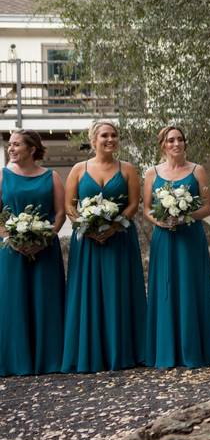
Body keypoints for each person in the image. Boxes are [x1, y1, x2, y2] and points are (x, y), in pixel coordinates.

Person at [62, 120, 146, 373]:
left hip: (119, 239)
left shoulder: (128, 169)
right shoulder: (78, 169)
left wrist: (114, 226)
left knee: (118, 291)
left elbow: (133, 204)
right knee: (88, 292)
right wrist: (86, 227)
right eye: (104, 136)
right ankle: (90, 352)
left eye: (114, 135)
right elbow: (69, 205)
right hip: (87, 243)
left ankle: (122, 351)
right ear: (93, 139)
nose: (110, 140)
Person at [143, 125, 210, 368]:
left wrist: (183, 215)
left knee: (190, 287)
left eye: (179, 139)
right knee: (165, 288)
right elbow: (146, 208)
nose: (176, 144)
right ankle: (166, 351)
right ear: (163, 145)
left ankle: (195, 349)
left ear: (185, 144)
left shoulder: (197, 171)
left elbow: (207, 208)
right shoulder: (151, 173)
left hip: (190, 237)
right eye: (170, 140)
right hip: (164, 239)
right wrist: (161, 220)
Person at [0, 130, 66, 376]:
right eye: (10, 144)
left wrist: (45, 238)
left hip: (46, 249)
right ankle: (14, 361)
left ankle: (49, 360)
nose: (11, 148)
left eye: (16, 144)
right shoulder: (2, 176)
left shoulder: (52, 176)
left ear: (32, 149)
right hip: (10, 249)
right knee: (12, 301)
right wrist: (12, 239)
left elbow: (59, 213)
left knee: (45, 299)